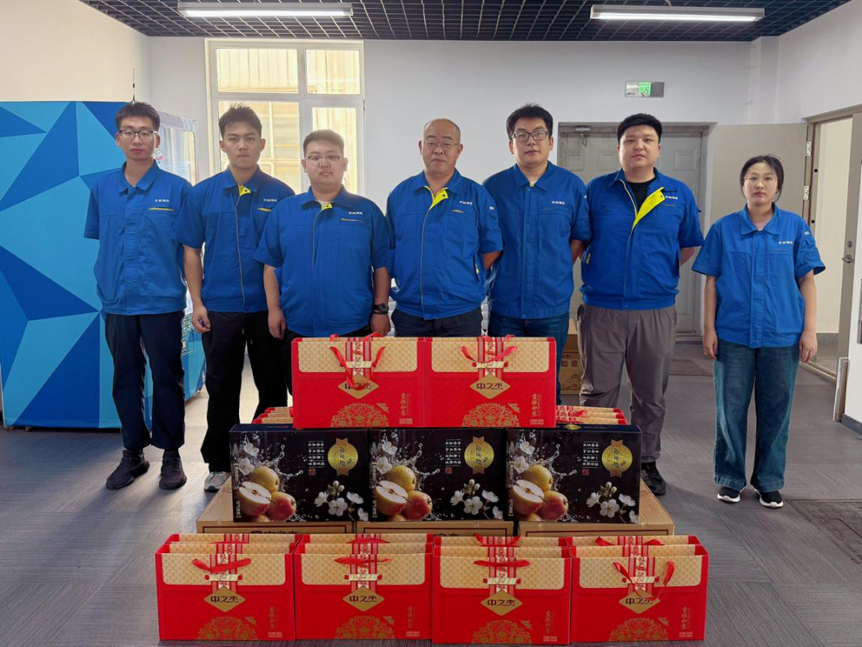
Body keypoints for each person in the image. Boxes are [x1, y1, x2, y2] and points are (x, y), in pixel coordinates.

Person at [578, 113, 704, 496]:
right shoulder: (597, 190)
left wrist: (655, 272)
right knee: (598, 390)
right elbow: (581, 239)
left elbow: (688, 245)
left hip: (655, 310)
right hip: (602, 309)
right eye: (631, 139)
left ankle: (646, 461)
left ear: (658, 148)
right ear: (618, 148)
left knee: (650, 393)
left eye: (647, 139)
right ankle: (592, 459)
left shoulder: (678, 194)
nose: (639, 146)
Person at [173, 104, 295, 493]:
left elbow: (288, 254)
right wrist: (198, 302)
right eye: (234, 138)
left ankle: (267, 458)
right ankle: (220, 463)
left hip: (267, 309)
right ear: (223, 144)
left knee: (272, 387)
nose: (242, 145)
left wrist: (280, 306)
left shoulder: (281, 195)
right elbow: (191, 250)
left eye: (250, 138)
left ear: (262, 144)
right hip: (220, 308)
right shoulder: (203, 194)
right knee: (221, 387)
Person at [693, 155, 824, 509]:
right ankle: (730, 478)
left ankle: (769, 480)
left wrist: (810, 331)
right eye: (752, 177)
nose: (760, 184)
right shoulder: (724, 228)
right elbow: (711, 282)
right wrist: (709, 329)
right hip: (733, 334)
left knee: (776, 411)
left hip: (782, 335)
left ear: (778, 186)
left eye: (768, 178)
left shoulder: (795, 228)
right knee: (730, 409)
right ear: (743, 185)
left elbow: (807, 280)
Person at [84, 101, 191, 491]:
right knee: (125, 379)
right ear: (117, 138)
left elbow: (190, 249)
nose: (137, 139)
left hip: (162, 300)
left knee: (168, 377)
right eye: (129, 132)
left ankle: (171, 454)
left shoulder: (178, 190)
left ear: (157, 139)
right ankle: (133, 453)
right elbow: (102, 240)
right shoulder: (102, 189)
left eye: (145, 132)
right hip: (117, 301)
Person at [255, 129, 391, 393]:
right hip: (298, 327)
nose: (324, 163)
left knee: (354, 401)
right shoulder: (285, 211)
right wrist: (274, 309)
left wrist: (380, 311)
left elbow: (382, 266)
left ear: (345, 163)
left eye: (332, 156)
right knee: (305, 402)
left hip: (354, 328)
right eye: (315, 157)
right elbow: (271, 264)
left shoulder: (366, 211)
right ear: (304, 164)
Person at [484, 104, 590, 404]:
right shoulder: (493, 188)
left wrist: (558, 267)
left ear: (551, 141)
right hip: (505, 305)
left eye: (539, 134)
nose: (531, 141)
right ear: (511, 144)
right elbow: (484, 242)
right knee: (502, 385)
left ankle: (546, 435)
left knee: (545, 385)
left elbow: (579, 236)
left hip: (550, 306)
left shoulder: (570, 186)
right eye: (522, 135)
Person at [386, 118, 503, 337]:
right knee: (409, 363)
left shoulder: (477, 195)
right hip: (411, 314)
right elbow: (389, 249)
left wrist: (468, 272)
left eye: (447, 143)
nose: (438, 150)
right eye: (431, 142)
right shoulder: (400, 195)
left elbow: (492, 247)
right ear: (421, 147)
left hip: (461, 313)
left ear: (459, 150)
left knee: (461, 363)